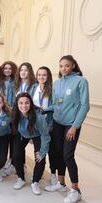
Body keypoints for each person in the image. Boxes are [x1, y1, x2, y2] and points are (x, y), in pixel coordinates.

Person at [44, 55, 89, 203]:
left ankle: (75, 190)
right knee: (58, 152)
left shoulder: (81, 81)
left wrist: (75, 126)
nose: (63, 68)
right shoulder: (57, 83)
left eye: (67, 65)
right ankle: (61, 183)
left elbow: (85, 106)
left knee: (67, 155)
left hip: (71, 124)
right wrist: (43, 109)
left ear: (73, 66)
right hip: (57, 122)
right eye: (61, 66)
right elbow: (57, 104)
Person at [11, 93, 50, 195]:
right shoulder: (15, 114)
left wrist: (42, 151)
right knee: (15, 156)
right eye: (21, 103)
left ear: (31, 104)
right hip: (22, 134)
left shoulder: (39, 117)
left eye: (27, 103)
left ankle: (35, 182)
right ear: (17, 104)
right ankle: (21, 178)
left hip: (37, 135)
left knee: (40, 158)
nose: (24, 106)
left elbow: (45, 136)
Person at [31, 66, 57, 186]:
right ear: (36, 76)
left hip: (48, 124)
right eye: (39, 75)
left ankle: (53, 175)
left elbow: (56, 105)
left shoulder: (52, 90)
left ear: (48, 76)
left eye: (44, 75)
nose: (41, 77)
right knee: (39, 149)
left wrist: (44, 109)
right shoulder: (34, 88)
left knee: (51, 151)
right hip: (36, 124)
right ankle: (38, 173)